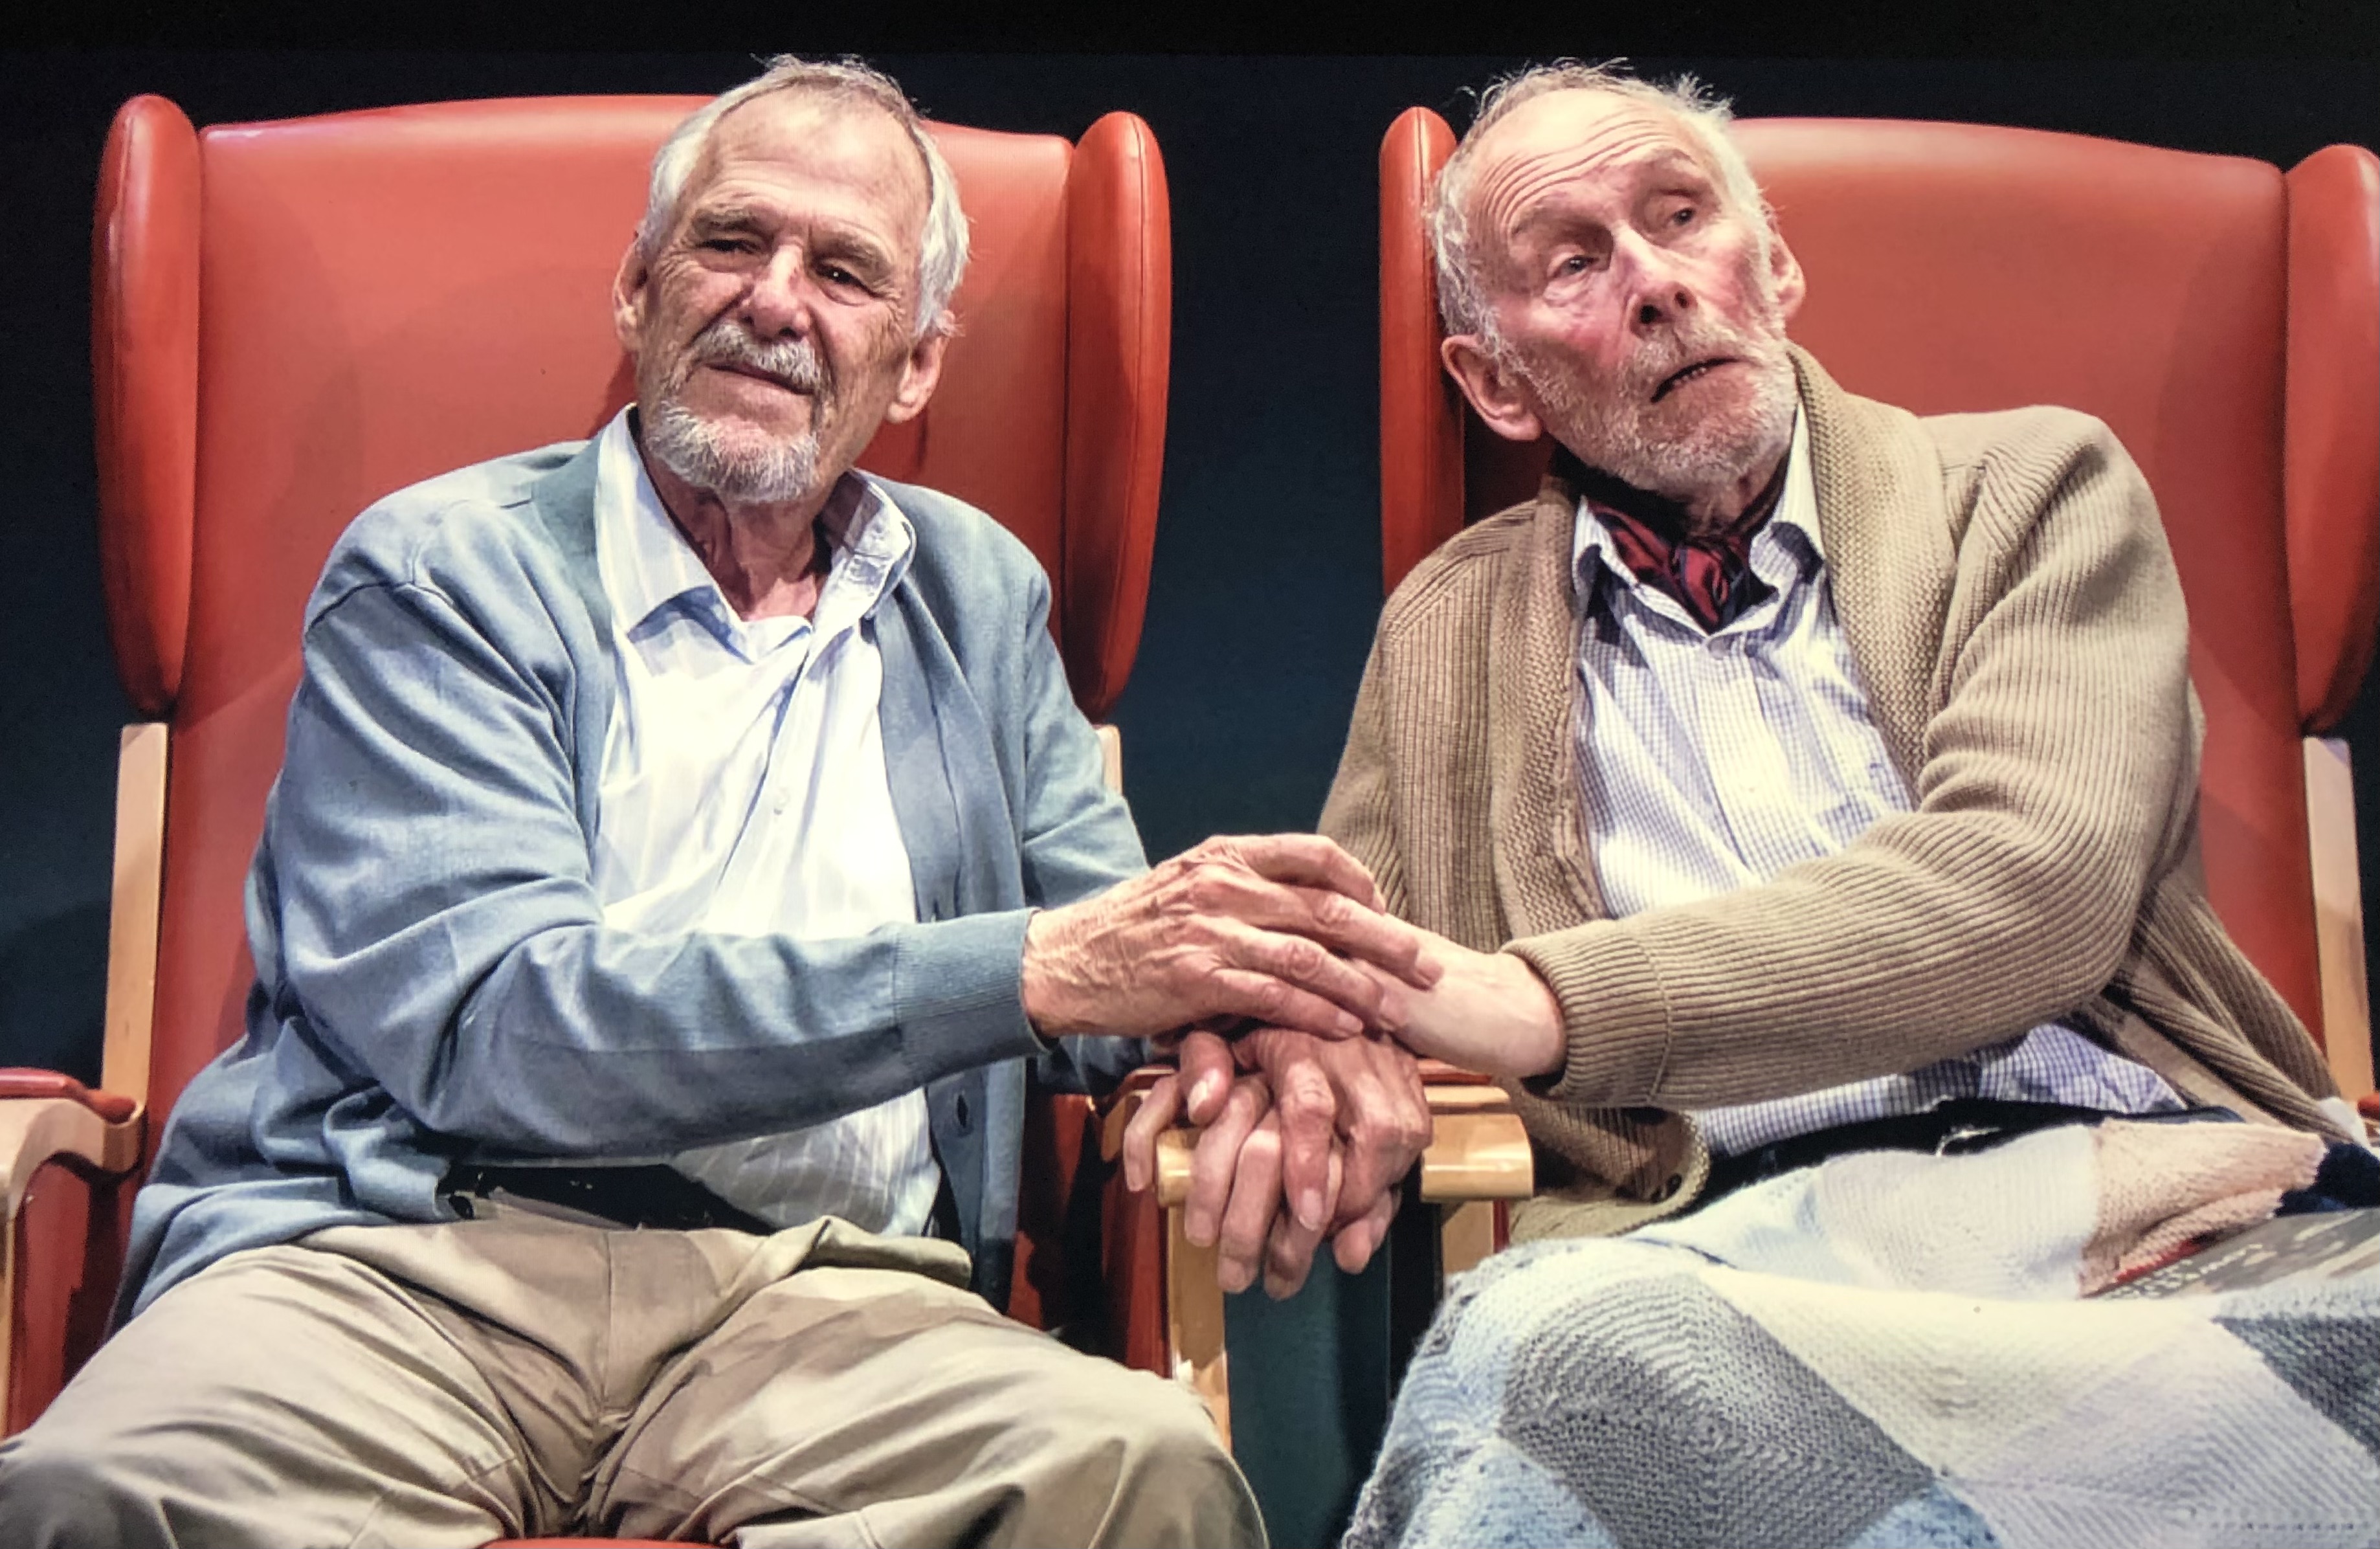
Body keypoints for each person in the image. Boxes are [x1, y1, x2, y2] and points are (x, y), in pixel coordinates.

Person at [0, 56, 1438, 1549]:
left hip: (823, 1297)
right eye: (733, 241)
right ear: (639, 289)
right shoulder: (442, 572)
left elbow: (1125, 966)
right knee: (97, 1493)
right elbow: (501, 1027)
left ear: (916, 364)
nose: (776, 300)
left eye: (845, 272)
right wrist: (1028, 970)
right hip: (402, 1263)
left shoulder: (979, 595)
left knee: (1137, 1472)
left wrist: (1280, 1027)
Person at [1177, 62, 2374, 1547]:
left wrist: (1543, 1003)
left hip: (2143, 1201)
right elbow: (1340, 959)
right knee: (1534, 1366)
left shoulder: (2032, 490)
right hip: (1725, 1257)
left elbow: (2033, 883)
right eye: (1575, 263)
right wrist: (1302, 1049)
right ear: (1495, 383)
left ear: (1778, 264)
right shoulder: (1446, 636)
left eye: (1682, 218)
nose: (1658, 285)